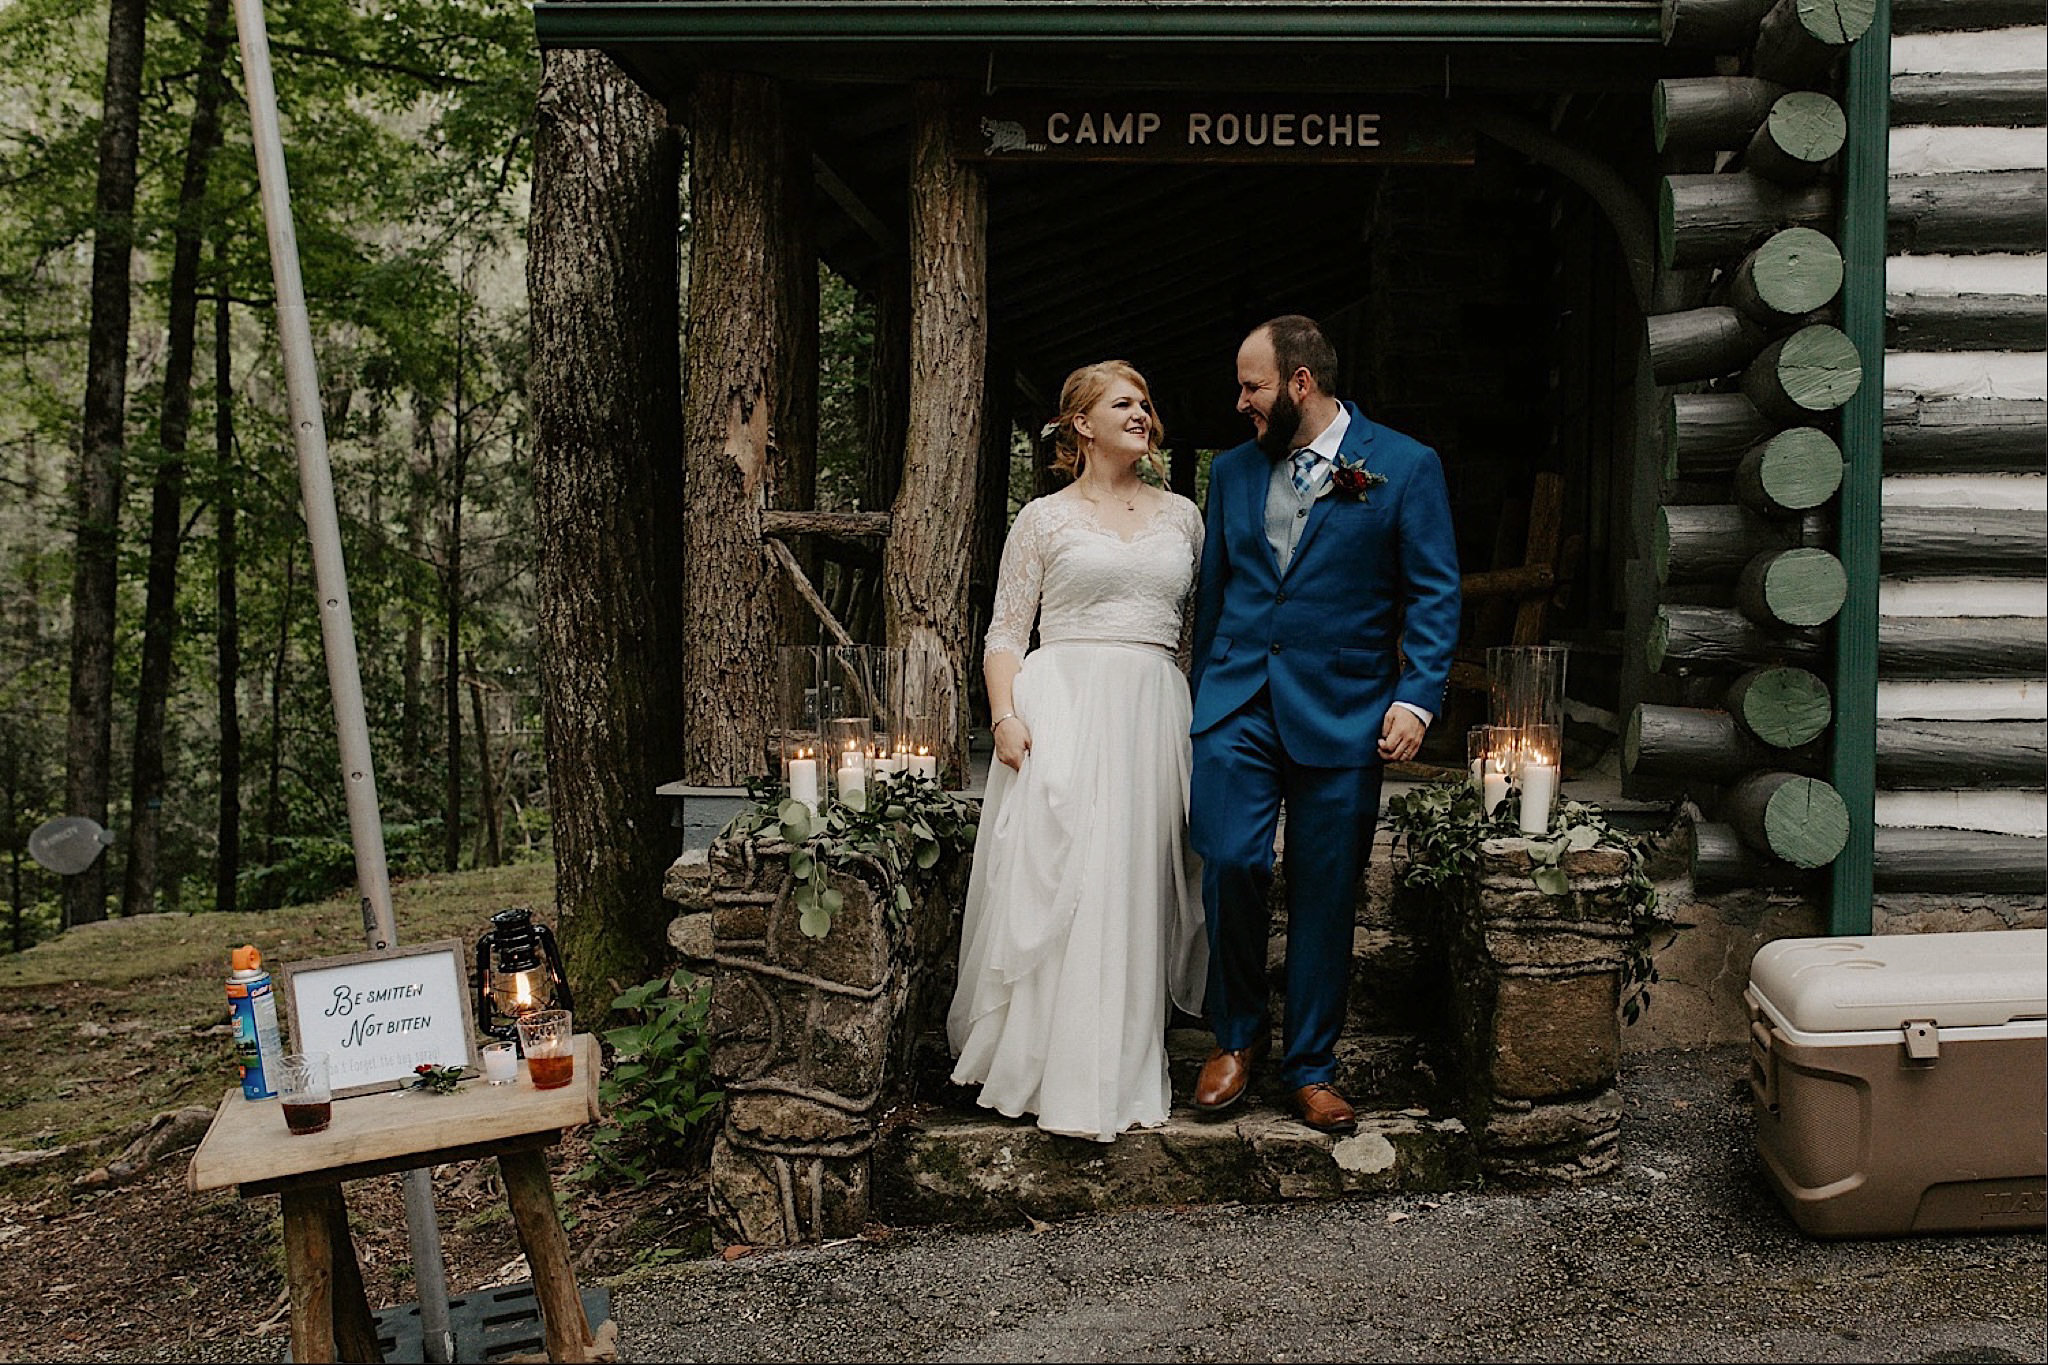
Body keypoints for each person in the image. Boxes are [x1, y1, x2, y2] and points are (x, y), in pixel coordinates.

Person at [1187, 315, 1461, 1134]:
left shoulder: (1405, 465)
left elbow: (1434, 591)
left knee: (1326, 886)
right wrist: (1202, 698)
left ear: (1300, 382)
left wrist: (1416, 697)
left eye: (1253, 385)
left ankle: (1310, 1066)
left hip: (1346, 709)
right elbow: (1216, 592)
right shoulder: (1232, 471)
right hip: (1238, 700)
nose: (1241, 401)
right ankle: (1236, 1036)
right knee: (1230, 860)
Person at [947, 360, 1208, 1143]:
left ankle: (1118, 1068)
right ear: (1082, 425)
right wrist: (1003, 717)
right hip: (1060, 706)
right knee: (1067, 877)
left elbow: (1192, 635)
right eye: (1124, 403)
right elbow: (1005, 631)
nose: (1142, 413)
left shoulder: (1185, 519)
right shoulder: (1042, 519)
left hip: (1151, 711)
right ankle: (1041, 1067)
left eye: (1146, 402)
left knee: (1131, 881)